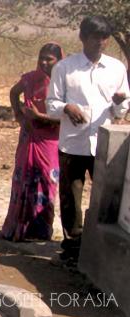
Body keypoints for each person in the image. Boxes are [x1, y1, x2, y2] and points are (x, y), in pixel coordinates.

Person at [46, 16, 129, 262]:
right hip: (73, 143)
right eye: (95, 38)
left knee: (106, 197)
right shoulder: (64, 68)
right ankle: (73, 245)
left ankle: (100, 248)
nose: (100, 43)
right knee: (71, 196)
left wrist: (119, 104)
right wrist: (67, 107)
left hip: (104, 144)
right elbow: (51, 105)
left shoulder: (116, 69)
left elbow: (121, 108)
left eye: (104, 38)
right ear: (83, 37)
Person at [1, 43, 64, 242]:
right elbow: (13, 92)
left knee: (47, 180)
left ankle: (39, 230)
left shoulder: (64, 83)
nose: (44, 62)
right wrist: (19, 115)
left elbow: (67, 116)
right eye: (41, 58)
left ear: (59, 60)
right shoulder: (30, 79)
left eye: (49, 59)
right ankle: (17, 227)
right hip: (29, 136)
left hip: (50, 138)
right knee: (23, 178)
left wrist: (40, 117)